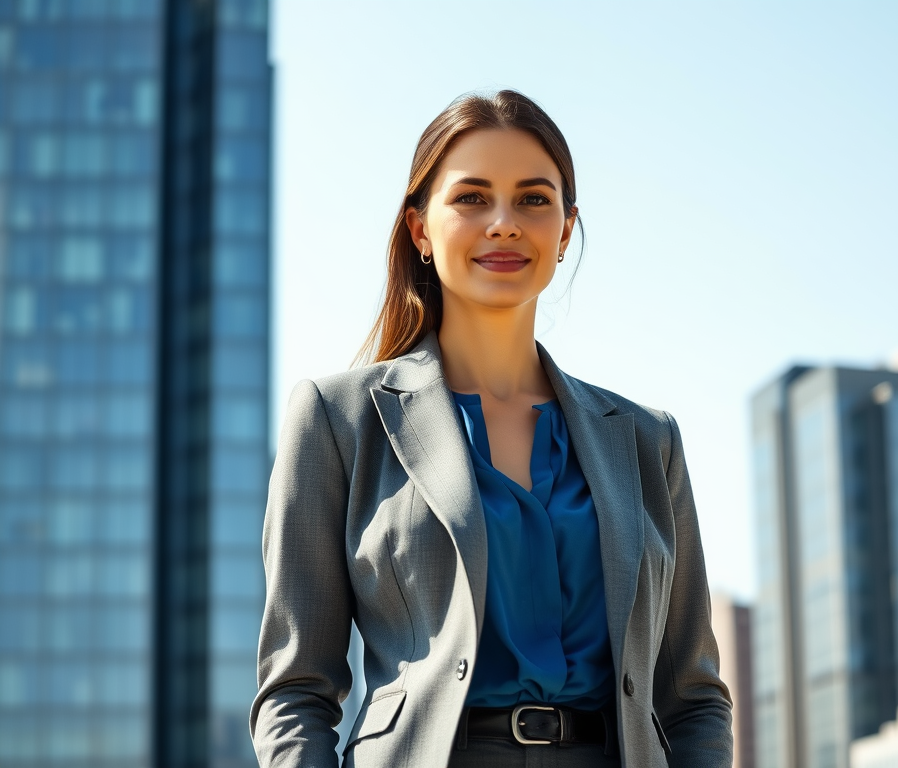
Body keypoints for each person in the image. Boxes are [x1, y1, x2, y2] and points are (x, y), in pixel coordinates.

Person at [250, 90, 732, 768]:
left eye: (534, 200)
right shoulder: (338, 420)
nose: (503, 223)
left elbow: (694, 699)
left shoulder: (647, 441)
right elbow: (295, 691)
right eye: (472, 198)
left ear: (565, 230)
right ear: (420, 229)